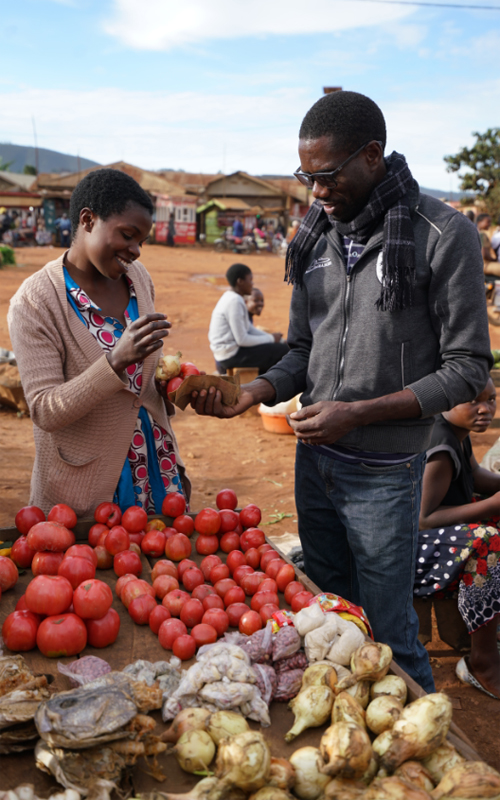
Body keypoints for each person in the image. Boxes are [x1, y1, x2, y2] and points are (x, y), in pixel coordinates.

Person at [191, 90, 491, 691]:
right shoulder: (316, 236)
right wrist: (256, 393)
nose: (317, 193)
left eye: (328, 176)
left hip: (385, 471)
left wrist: (358, 413)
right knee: (329, 616)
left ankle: (420, 764)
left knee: (387, 632)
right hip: (315, 465)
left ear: (372, 157)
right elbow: (302, 349)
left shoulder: (442, 234)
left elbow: (466, 368)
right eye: (308, 177)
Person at [8, 168, 188, 519]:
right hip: (85, 488)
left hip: (155, 470)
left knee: (161, 566)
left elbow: (143, 385)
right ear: (88, 220)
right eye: (127, 235)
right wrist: (114, 361)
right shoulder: (35, 301)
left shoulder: (138, 279)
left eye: (142, 241)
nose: (136, 251)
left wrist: (177, 388)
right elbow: (44, 409)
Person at [416, 377, 500, 699]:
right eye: (473, 401)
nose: (485, 409)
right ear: (447, 401)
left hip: (441, 537)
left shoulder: (456, 434)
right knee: (488, 541)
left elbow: (476, 476)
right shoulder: (440, 446)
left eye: (491, 400)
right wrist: (491, 505)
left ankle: (492, 623)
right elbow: (423, 520)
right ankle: (483, 660)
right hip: (416, 552)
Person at [208, 263, 288, 375]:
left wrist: (274, 338)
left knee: (277, 348)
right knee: (284, 351)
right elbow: (242, 340)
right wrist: (271, 339)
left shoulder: (231, 297)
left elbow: (249, 329)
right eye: (250, 280)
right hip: (230, 355)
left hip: (228, 353)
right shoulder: (234, 301)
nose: (252, 284)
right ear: (240, 282)